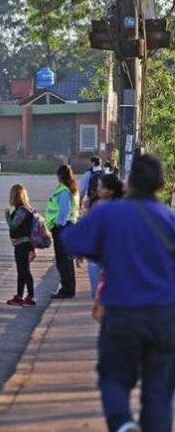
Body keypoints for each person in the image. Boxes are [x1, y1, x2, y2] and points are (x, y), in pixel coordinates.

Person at [62, 155, 175, 432]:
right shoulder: (170, 219)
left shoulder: (108, 213)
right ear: (159, 185)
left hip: (122, 311)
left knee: (113, 376)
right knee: (160, 388)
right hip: (165, 316)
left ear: (129, 182)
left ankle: (123, 423)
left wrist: (104, 248)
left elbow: (71, 240)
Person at [85, 173, 125, 298]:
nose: (98, 189)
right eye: (98, 186)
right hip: (97, 255)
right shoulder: (96, 205)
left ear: (111, 190)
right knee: (97, 293)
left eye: (101, 187)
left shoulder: (123, 207)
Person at [46, 164, 80, 299]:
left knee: (63, 260)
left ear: (60, 176)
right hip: (69, 226)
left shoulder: (64, 191)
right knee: (66, 259)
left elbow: (64, 211)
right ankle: (68, 288)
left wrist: (58, 225)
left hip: (62, 227)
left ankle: (67, 289)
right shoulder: (71, 189)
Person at [4, 184, 37, 306]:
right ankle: (20, 295)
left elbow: (13, 225)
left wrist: (7, 215)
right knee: (21, 270)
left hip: (22, 244)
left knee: (24, 270)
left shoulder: (22, 210)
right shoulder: (25, 209)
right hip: (23, 243)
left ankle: (31, 295)